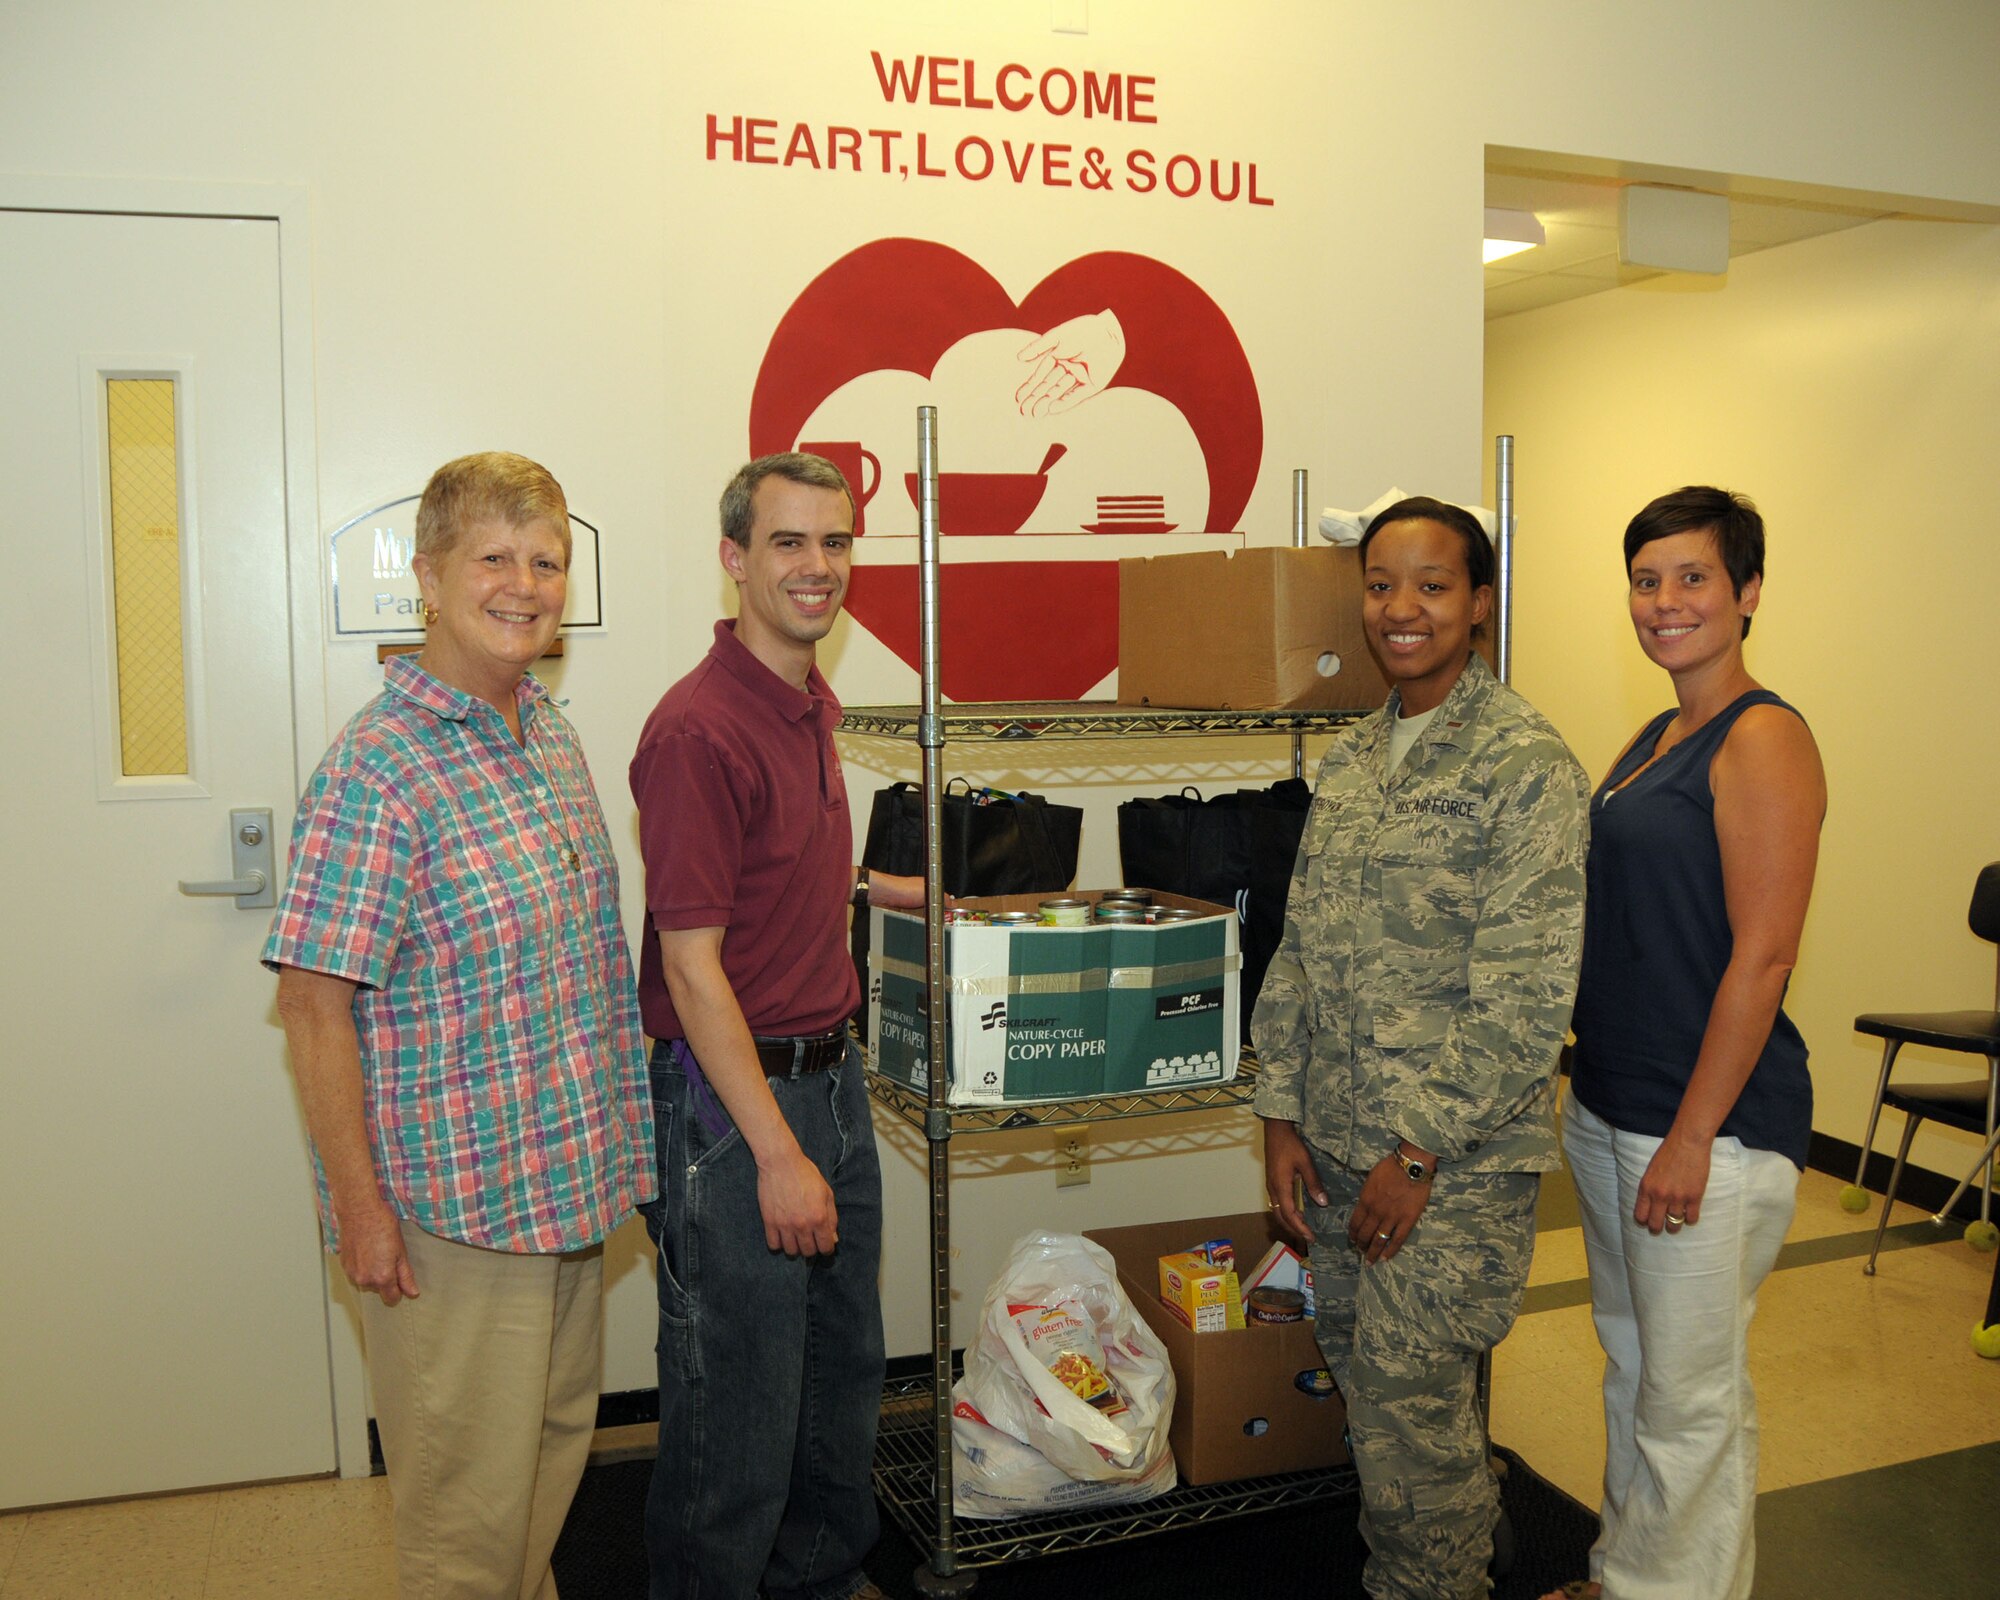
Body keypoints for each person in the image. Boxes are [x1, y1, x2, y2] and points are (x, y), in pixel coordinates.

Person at [266, 451, 654, 1598]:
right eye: (493, 557)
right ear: (427, 577)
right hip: (451, 1221)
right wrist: (361, 1210)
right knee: (462, 1527)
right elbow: (310, 1002)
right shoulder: (377, 769)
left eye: (546, 560)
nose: (523, 583)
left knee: (538, 1481)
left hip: (564, 1193)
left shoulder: (548, 737)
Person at [1255, 496, 1590, 1600]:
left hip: (1444, 1174)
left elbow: (1526, 994)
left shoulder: (1521, 762)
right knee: (1375, 1398)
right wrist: (1277, 1114)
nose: (1400, 609)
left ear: (1479, 604)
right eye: (1380, 585)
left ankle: (1427, 1580)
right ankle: (1460, 1534)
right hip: (1341, 1148)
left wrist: (1416, 1153)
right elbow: (1300, 944)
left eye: (1431, 586)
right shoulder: (1354, 754)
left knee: (1406, 1424)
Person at [630, 452, 925, 1600]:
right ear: (734, 560)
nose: (817, 567)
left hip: (830, 1076)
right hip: (736, 1103)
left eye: (835, 542)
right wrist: (776, 1151)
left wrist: (881, 890)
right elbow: (692, 968)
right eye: (788, 543)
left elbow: (761, 875)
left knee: (840, 1374)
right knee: (738, 1400)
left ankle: (814, 1578)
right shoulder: (698, 731)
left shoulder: (802, 699)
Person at [1547, 488, 1825, 1600]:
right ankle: (1626, 1574)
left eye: (1692, 577)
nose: (1663, 602)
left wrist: (1690, 1136)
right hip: (1614, 1103)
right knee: (1632, 1367)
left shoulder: (1761, 737)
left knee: (1690, 1400)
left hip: (1703, 1127)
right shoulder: (1656, 733)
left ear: (1747, 592)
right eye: (1645, 578)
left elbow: (1760, 958)